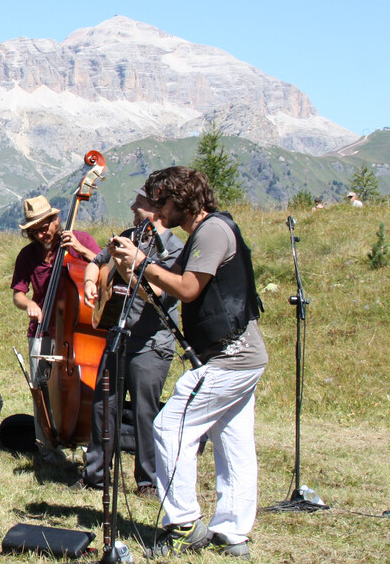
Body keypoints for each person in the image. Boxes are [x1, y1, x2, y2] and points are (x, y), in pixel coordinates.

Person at [111, 166, 267, 560]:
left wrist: (143, 262)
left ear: (181, 199)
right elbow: (166, 291)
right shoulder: (203, 233)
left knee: (168, 426)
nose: (156, 209)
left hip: (230, 358)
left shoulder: (213, 231)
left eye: (161, 200)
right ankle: (232, 533)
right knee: (233, 441)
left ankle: (183, 524)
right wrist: (132, 269)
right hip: (237, 357)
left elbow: (189, 288)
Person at [77, 189, 185, 497]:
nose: (132, 206)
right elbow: (95, 261)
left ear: (157, 210)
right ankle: (95, 474)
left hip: (151, 343)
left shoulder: (174, 250)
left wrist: (129, 267)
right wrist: (90, 283)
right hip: (118, 335)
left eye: (139, 202)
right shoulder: (127, 236)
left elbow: (156, 295)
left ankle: (148, 481)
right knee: (103, 406)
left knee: (144, 412)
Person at [10, 195, 100, 453]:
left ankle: (84, 443)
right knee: (41, 390)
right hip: (43, 329)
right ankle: (47, 447)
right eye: (35, 230)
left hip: (77, 331)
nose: (42, 234)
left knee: (80, 388)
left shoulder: (80, 240)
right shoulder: (27, 255)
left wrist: (82, 252)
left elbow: (107, 268)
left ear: (56, 220)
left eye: (46, 226)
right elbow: (18, 292)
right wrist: (28, 304)